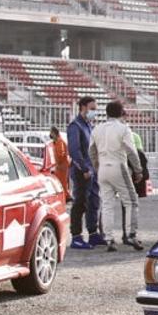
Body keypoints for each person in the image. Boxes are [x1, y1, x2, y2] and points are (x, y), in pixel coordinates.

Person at [91, 100, 144, 252]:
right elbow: (131, 151)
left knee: (107, 204)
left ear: (106, 113)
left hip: (103, 167)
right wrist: (138, 169)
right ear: (121, 113)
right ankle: (131, 234)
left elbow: (91, 150)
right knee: (131, 201)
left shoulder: (97, 129)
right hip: (118, 166)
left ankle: (108, 239)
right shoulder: (123, 129)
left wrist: (96, 166)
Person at [67, 96, 105, 250]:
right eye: (92, 109)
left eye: (95, 109)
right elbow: (75, 150)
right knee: (80, 203)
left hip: (93, 170)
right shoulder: (75, 126)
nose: (94, 112)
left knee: (94, 202)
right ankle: (76, 236)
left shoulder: (89, 126)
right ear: (83, 107)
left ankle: (93, 233)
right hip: (81, 171)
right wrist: (83, 168)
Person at [47, 126, 70, 201]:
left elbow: (61, 154)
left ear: (54, 133)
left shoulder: (59, 142)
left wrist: (58, 165)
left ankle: (65, 196)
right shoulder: (57, 141)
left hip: (62, 166)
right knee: (61, 182)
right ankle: (65, 195)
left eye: (51, 132)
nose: (50, 134)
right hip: (60, 165)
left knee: (62, 182)